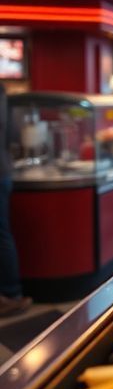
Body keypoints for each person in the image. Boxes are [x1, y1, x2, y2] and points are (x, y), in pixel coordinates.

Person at [0, 83, 31, 316]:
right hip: (4, 171)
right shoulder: (6, 98)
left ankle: (11, 294)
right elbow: (14, 136)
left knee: (1, 234)